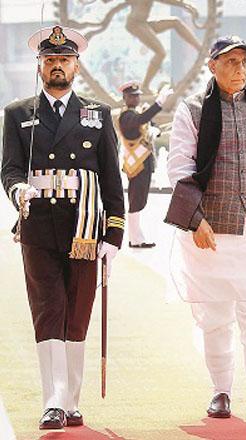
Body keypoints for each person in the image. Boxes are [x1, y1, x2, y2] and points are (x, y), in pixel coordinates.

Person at [167, 35, 246, 424]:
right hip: (212, 229)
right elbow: (179, 168)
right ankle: (221, 391)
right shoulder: (192, 111)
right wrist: (195, 220)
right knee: (216, 315)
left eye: (244, 62)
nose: (240, 69)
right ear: (213, 66)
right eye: (231, 62)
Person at [1, 25, 125, 430]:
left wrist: (115, 234)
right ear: (40, 66)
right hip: (38, 226)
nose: (57, 66)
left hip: (84, 228)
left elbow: (111, 177)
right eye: (50, 60)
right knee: (48, 310)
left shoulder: (97, 114)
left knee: (77, 313)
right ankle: (53, 399)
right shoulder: (19, 113)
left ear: (77, 65)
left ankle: (72, 399)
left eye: (64, 60)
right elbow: (11, 169)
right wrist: (17, 188)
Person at [117, 80, 173, 248]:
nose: (135, 99)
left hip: (143, 164)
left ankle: (137, 237)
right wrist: (159, 103)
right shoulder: (127, 116)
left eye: (137, 96)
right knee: (137, 201)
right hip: (137, 166)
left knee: (140, 200)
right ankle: (135, 239)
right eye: (131, 96)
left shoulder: (135, 114)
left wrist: (156, 131)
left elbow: (149, 124)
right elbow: (142, 119)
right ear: (125, 97)